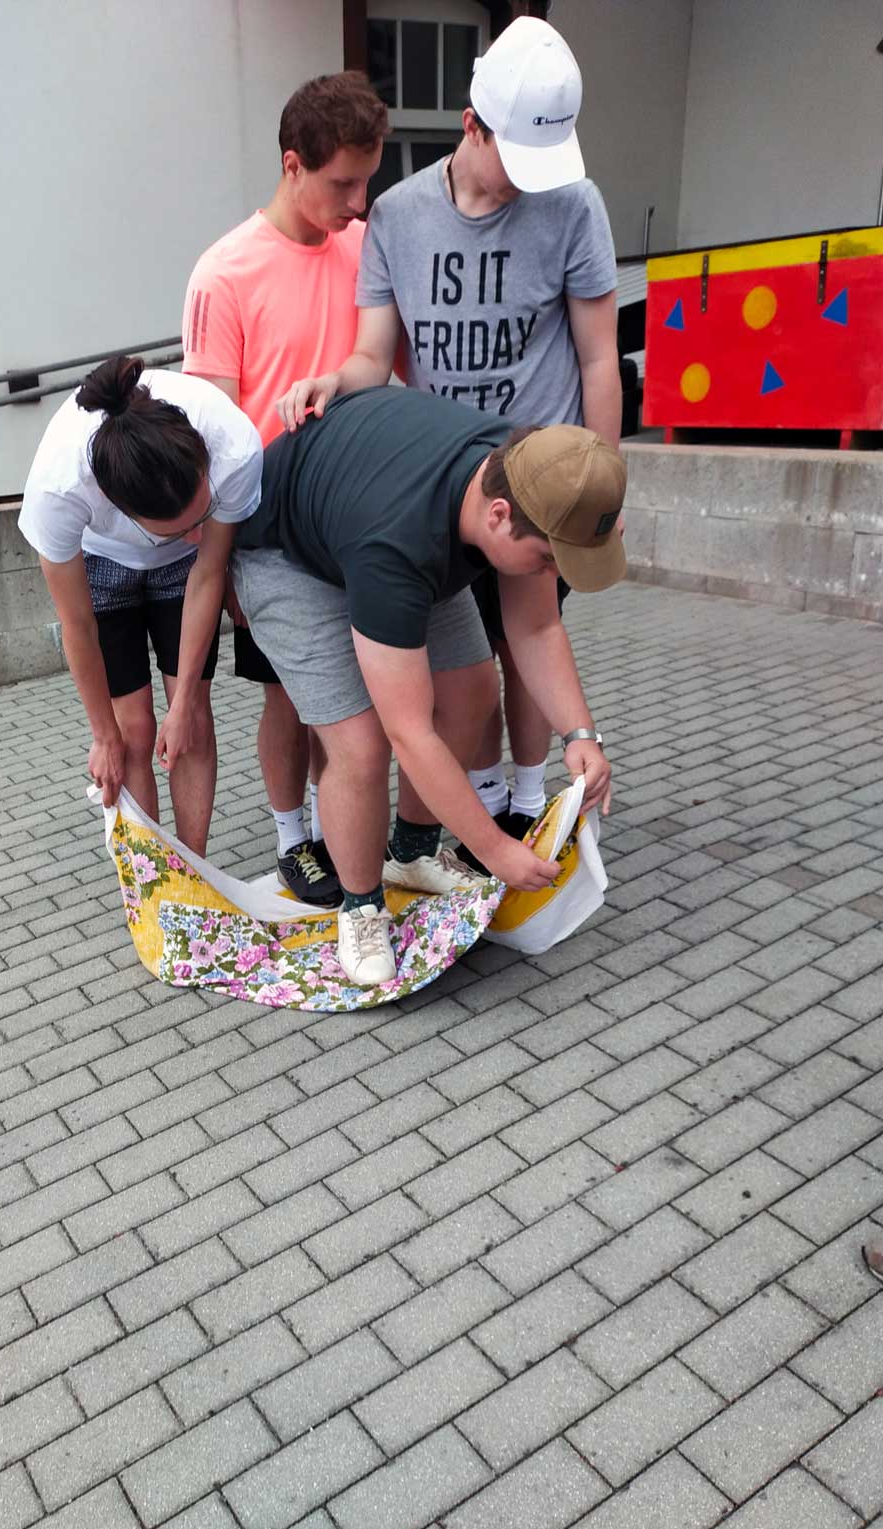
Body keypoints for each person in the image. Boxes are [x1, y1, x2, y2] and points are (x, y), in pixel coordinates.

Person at [277, 15, 621, 845]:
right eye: (518, 157)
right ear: (473, 125)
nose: (531, 180)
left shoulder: (574, 204)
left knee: (529, 633)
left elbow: (599, 356)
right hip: (449, 487)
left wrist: (600, 488)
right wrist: (334, 381)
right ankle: (478, 803)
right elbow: (373, 355)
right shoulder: (396, 216)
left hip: (542, 481)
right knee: (460, 668)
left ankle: (532, 797)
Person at [233, 384, 625, 985]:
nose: (551, 573)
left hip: (378, 522)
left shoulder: (530, 476)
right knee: (361, 743)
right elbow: (409, 733)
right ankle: (361, 906)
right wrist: (494, 848)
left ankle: (411, 854)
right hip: (289, 554)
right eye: (548, 560)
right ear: (499, 517)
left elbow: (538, 626)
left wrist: (581, 735)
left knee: (472, 692)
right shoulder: (396, 542)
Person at [179, 71, 389, 906]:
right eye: (343, 183)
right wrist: (222, 563)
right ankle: (291, 840)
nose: (357, 202)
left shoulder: (364, 247)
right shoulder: (223, 274)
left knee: (359, 699)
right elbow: (211, 437)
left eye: (367, 182)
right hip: (271, 538)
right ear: (293, 164)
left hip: (361, 520)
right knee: (288, 699)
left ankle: (354, 833)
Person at [18, 355, 262, 855]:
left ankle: (192, 872)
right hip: (101, 563)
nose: (196, 532)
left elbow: (207, 570)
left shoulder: (231, 443)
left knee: (191, 721)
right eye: (179, 528)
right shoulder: (59, 486)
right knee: (131, 732)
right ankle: (152, 878)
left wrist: (185, 700)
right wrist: (101, 735)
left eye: (203, 515)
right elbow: (77, 625)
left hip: (186, 571)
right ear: (120, 508)